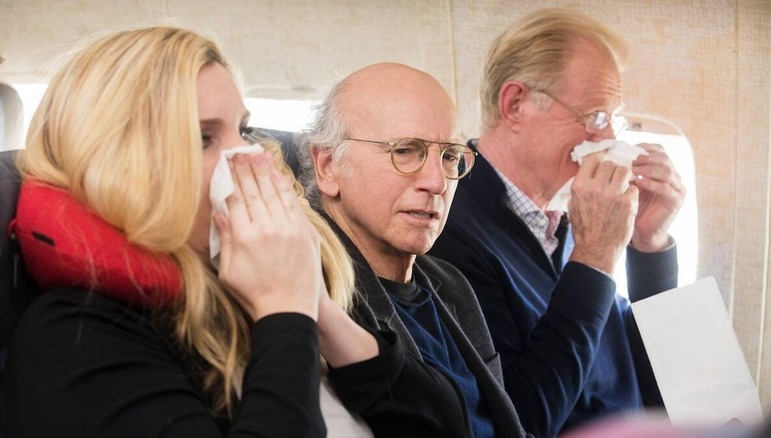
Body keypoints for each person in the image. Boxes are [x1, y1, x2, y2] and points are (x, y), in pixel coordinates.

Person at [0, 26, 406, 437]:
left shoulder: (263, 283)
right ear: (117, 164)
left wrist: (320, 310)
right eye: (203, 138)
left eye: (242, 131)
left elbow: (444, 422)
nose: (248, 158)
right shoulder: (76, 338)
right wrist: (284, 310)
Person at [428, 7, 685, 437]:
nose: (609, 140)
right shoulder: (450, 229)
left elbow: (662, 383)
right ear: (515, 105)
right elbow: (522, 418)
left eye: (613, 120)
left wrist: (649, 245)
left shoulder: (569, 216)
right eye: (595, 118)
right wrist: (596, 258)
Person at [299, 62, 535, 438]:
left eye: (449, 156)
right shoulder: (313, 289)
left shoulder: (452, 285)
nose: (437, 182)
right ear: (328, 166)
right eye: (406, 151)